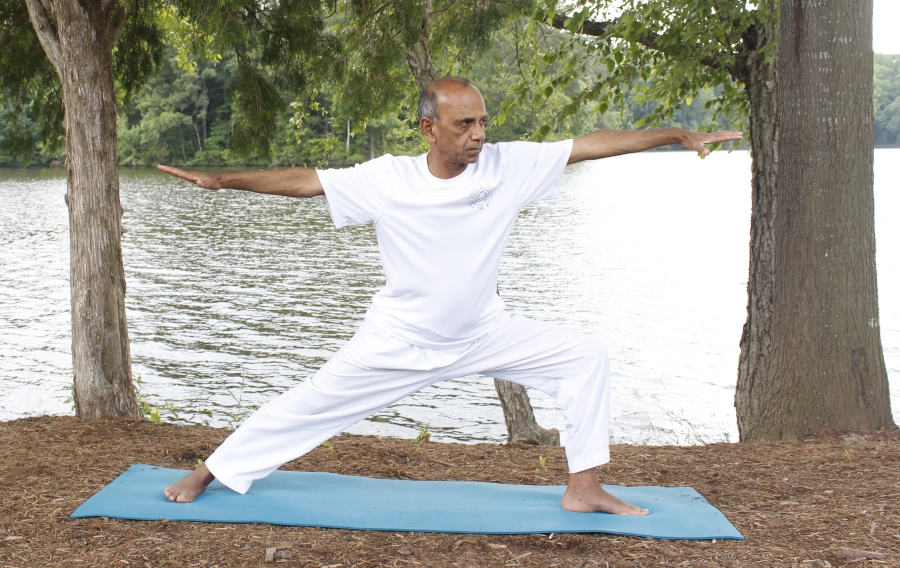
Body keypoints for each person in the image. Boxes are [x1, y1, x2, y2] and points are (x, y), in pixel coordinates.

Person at [159, 77, 742, 515]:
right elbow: (307, 182)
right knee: (307, 406)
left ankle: (583, 486)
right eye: (464, 125)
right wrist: (223, 180)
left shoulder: (507, 166)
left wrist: (672, 134)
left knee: (584, 357)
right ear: (429, 129)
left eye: (482, 122)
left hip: (482, 333)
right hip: (400, 339)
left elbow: (588, 145)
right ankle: (211, 470)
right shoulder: (388, 179)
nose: (479, 134)